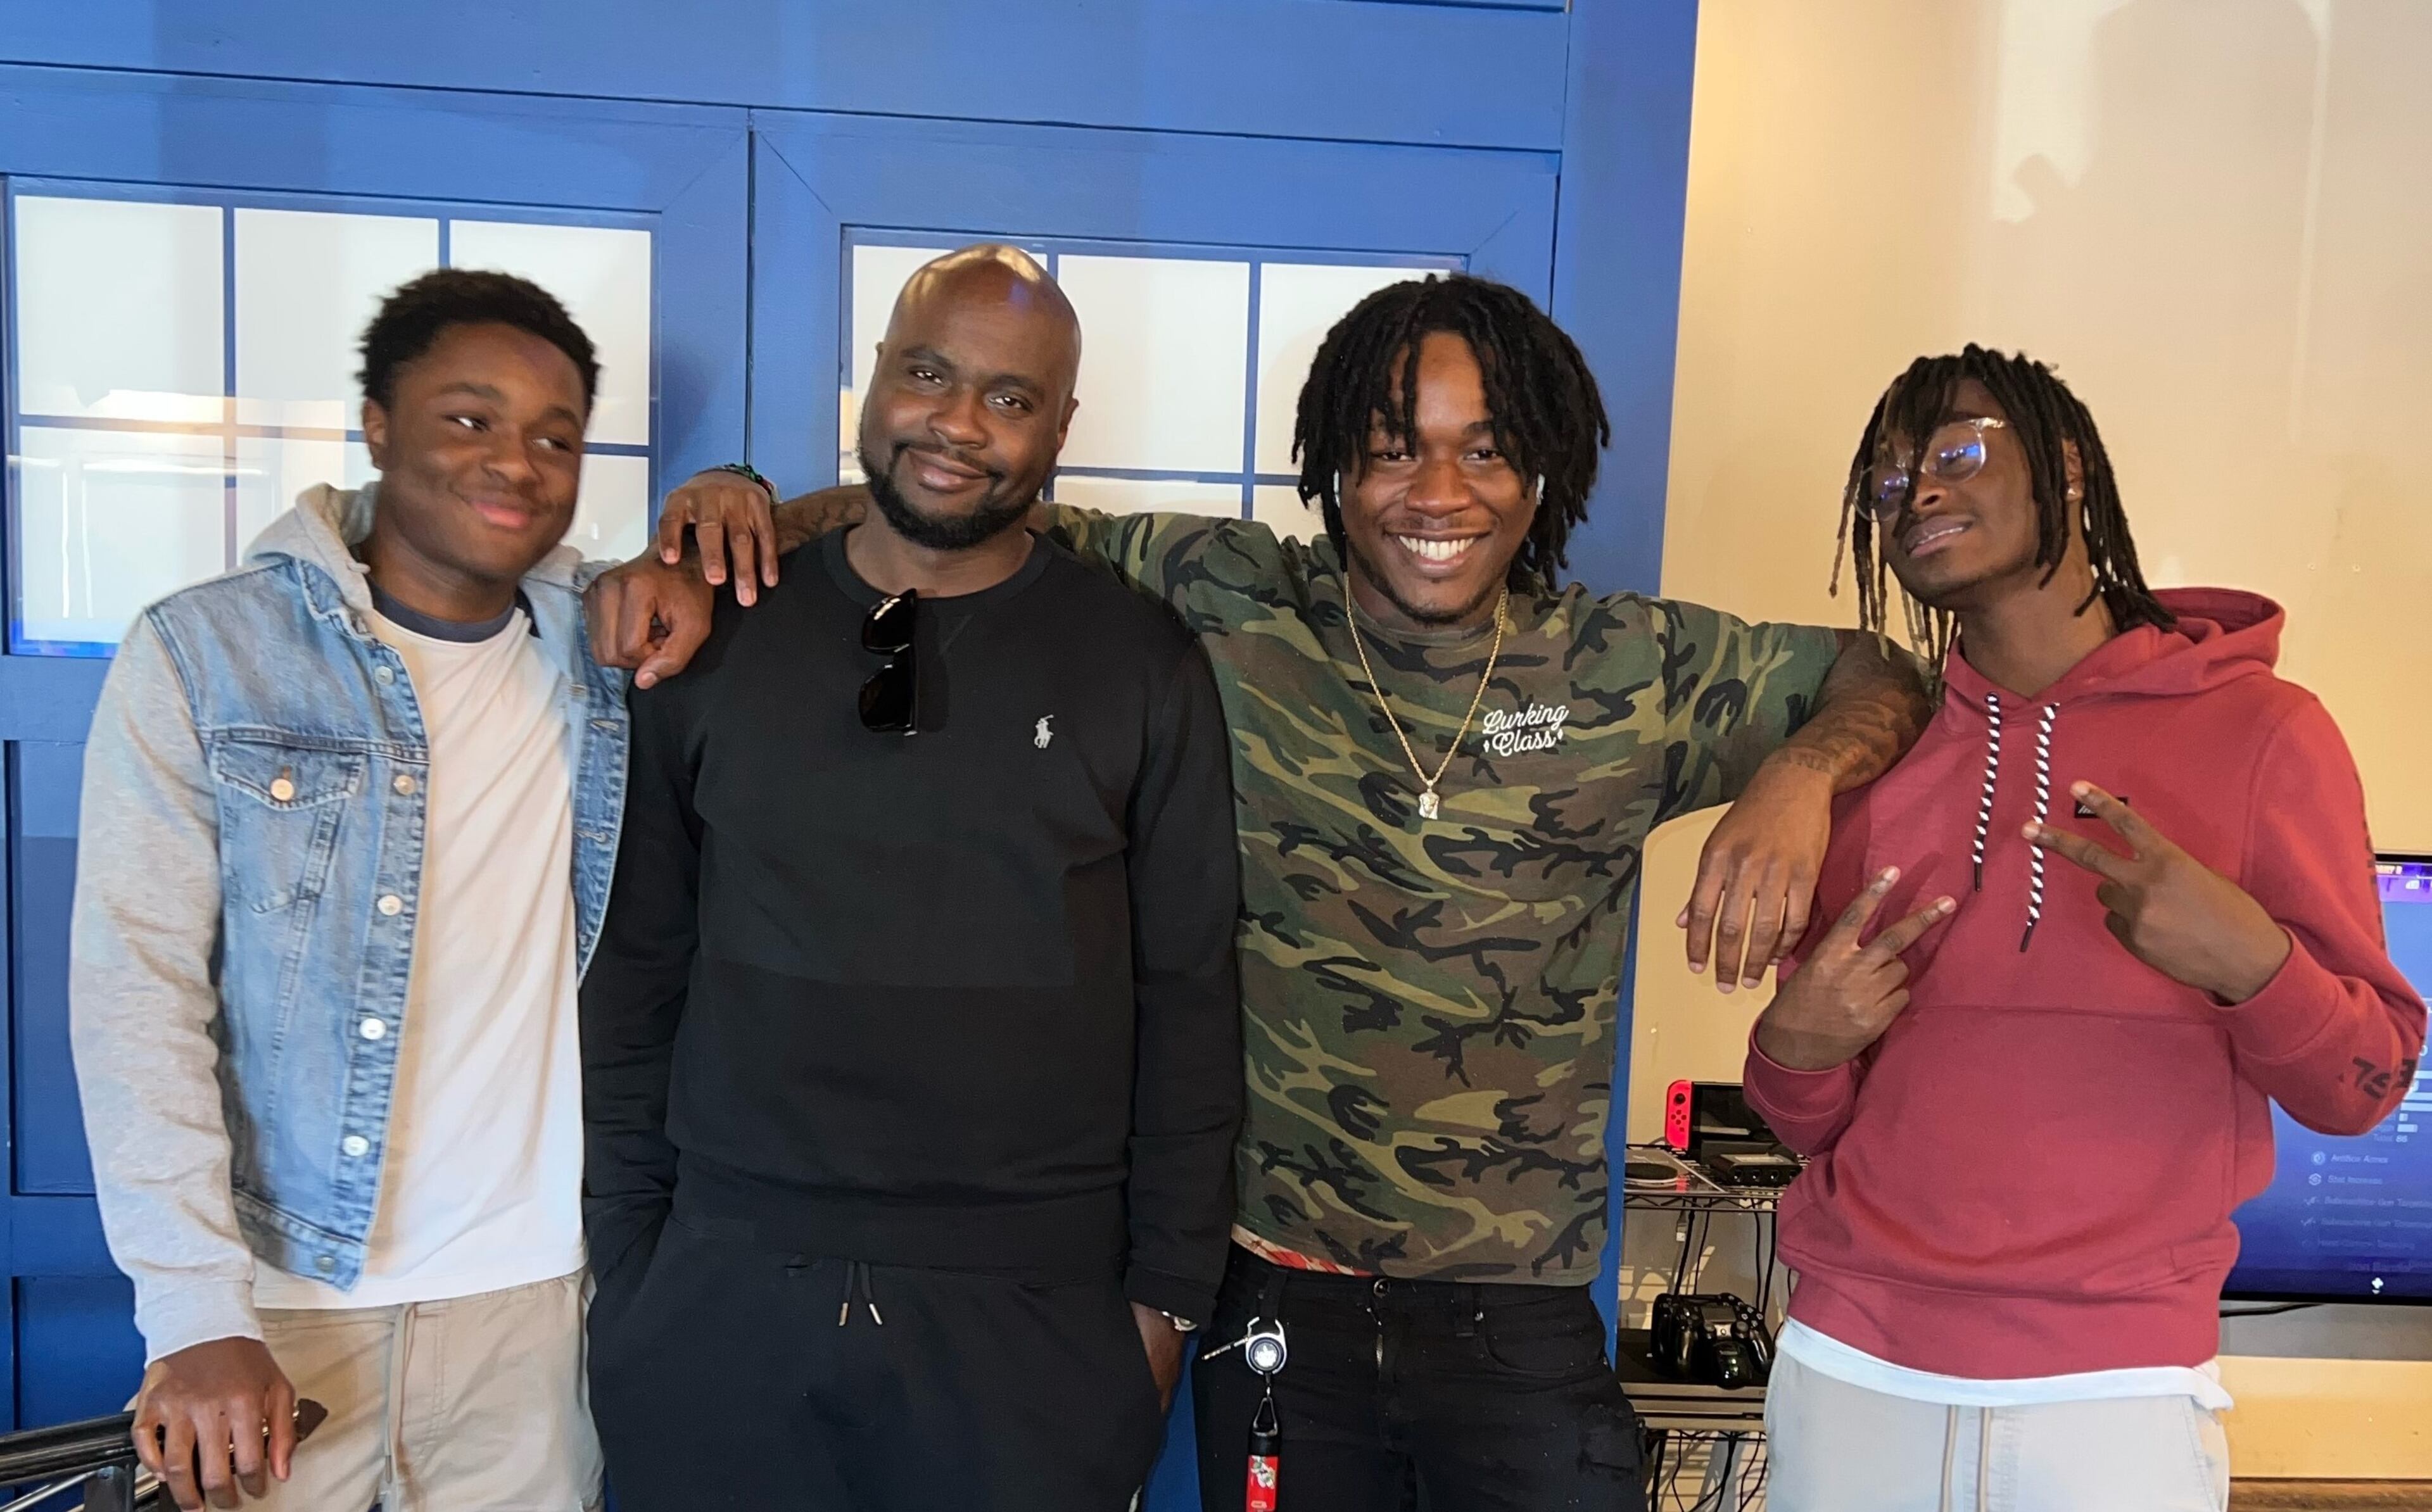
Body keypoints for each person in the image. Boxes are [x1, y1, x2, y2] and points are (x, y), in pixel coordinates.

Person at [596, 270, 1934, 1510]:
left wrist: (1797, 780)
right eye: (1395, 443)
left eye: (1486, 446)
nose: (1439, 489)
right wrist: (737, 516)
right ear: (1335, 463)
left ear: (1546, 471)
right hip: (1274, 1304)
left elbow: (1883, 672)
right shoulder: (1223, 598)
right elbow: (947, 505)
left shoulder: (1635, 665)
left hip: (1516, 1318)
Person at [578, 245, 1242, 1512]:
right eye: (928, 374)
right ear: (873, 380)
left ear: (1061, 426)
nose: (958, 426)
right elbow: (638, 961)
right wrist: (633, 1257)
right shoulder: (718, 637)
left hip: (1033, 1321)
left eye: (1011, 397)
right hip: (721, 1298)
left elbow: (1192, 998)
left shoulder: (1139, 662)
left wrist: (1161, 1309)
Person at [1744, 347, 2427, 1512]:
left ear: (2063, 467)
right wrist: (1792, 1050)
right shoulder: (1874, 754)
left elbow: (2363, 1086)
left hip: (2117, 1391)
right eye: (1890, 478)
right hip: (1851, 1361)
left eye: (1956, 449)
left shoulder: (2266, 734)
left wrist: (2251, 965)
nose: (1920, 491)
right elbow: (1813, 1119)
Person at [70, 270, 621, 1511]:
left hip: (537, 1308)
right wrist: (193, 1313)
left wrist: (729, 500)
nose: (518, 462)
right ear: (377, 423)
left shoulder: (606, 659)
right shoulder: (207, 652)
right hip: (279, 1306)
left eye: (555, 435)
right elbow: (136, 996)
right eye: (470, 418)